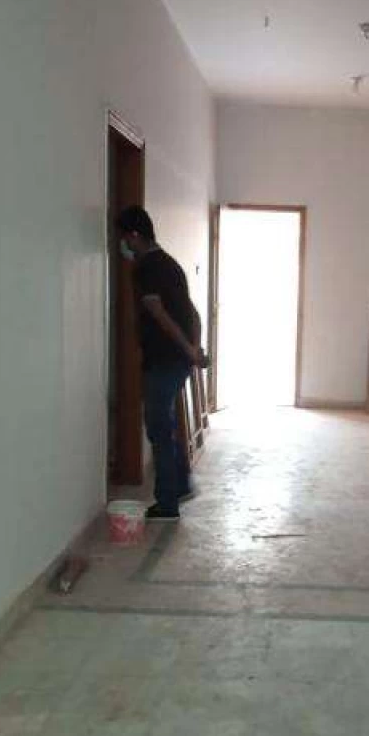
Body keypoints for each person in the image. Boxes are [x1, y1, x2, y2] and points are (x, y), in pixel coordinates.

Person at [115, 206, 208, 521]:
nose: (123, 245)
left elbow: (159, 314)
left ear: (134, 235)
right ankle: (180, 486)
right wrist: (193, 349)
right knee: (166, 425)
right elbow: (193, 313)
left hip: (164, 360)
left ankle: (167, 503)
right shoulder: (171, 264)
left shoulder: (146, 268)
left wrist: (187, 348)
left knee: (158, 428)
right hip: (178, 360)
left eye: (124, 238)